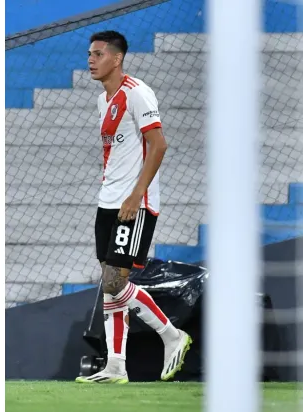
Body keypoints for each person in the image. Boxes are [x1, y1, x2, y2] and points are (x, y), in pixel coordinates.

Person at [75, 30, 191, 384]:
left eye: (97, 54)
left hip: (133, 203)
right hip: (107, 201)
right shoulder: (102, 101)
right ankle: (115, 367)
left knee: (113, 282)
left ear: (117, 57)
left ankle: (172, 335)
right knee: (111, 284)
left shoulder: (137, 93)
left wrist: (135, 194)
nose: (91, 60)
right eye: (89, 54)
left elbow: (159, 144)